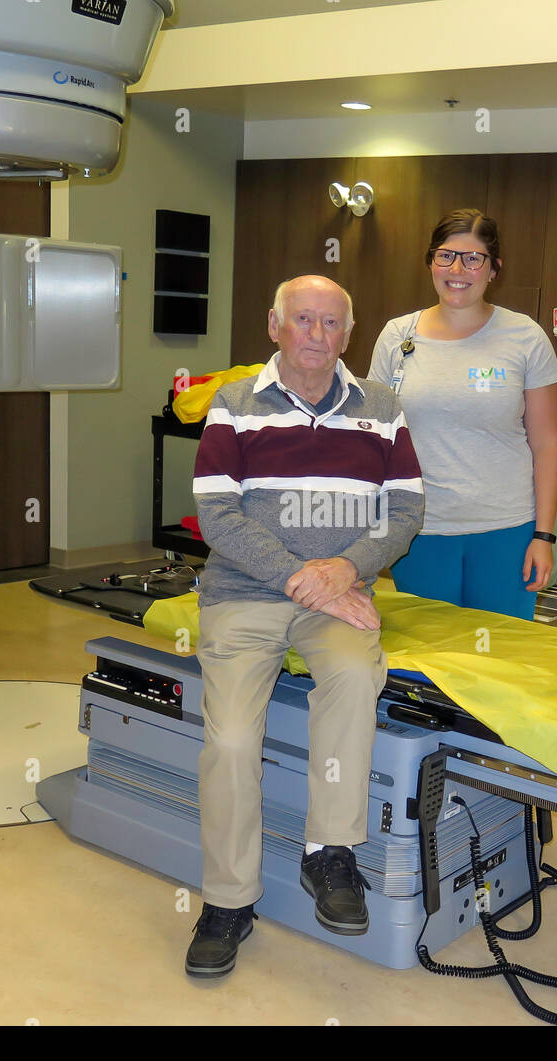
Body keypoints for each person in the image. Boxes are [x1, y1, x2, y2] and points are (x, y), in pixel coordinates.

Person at [187, 274, 424, 978]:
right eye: (303, 320)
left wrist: (343, 571)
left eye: (330, 323)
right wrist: (304, 578)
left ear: (348, 335)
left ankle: (330, 852)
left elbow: (406, 512)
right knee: (230, 739)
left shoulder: (382, 408)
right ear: (274, 325)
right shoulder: (232, 406)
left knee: (354, 672)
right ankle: (229, 900)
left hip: (339, 595)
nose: (317, 335)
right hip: (245, 595)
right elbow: (218, 517)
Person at [367, 208, 557, 621]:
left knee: (500, 660)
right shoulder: (396, 336)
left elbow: (547, 443)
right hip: (419, 529)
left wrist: (543, 535)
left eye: (474, 258)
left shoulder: (524, 337)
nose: (458, 269)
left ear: (494, 269)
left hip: (505, 530)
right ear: (430, 262)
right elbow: (374, 437)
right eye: (446, 256)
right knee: (427, 664)